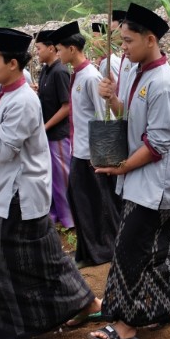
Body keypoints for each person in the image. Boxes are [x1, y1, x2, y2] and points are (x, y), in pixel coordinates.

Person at [0, 27, 99, 339]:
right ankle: (88, 304)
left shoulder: (23, 101)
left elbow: (3, 151)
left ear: (13, 63)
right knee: (46, 258)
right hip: (19, 191)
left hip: (19, 195)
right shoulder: (9, 93)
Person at [88, 3, 170, 339]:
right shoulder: (138, 73)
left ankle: (125, 325)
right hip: (143, 182)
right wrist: (115, 100)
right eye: (120, 42)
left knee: (131, 250)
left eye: (128, 42)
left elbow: (157, 144)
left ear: (151, 40)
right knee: (168, 248)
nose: (123, 49)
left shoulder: (164, 84)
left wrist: (119, 167)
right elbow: (136, 120)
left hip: (155, 185)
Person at [50, 20, 122, 270]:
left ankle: (103, 250)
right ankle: (90, 250)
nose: (57, 54)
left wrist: (103, 154)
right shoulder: (77, 75)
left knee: (96, 203)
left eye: (59, 49)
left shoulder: (91, 77)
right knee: (82, 202)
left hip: (92, 153)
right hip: (78, 150)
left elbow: (107, 116)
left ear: (72, 48)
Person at [34, 29, 74, 229]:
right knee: (51, 178)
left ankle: (70, 220)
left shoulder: (60, 72)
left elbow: (67, 107)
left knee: (62, 178)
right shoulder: (46, 70)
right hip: (48, 134)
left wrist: (45, 126)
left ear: (51, 48)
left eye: (39, 48)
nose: (37, 52)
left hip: (58, 135)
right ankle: (56, 216)